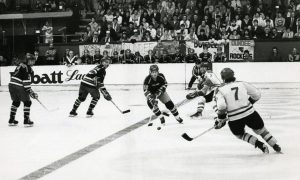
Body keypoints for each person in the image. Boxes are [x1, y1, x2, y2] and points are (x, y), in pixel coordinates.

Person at [213, 68, 282, 153]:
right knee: (261, 130)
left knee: (240, 135)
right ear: (233, 76)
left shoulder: (220, 90)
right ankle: (275, 146)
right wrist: (250, 103)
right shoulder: (242, 83)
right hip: (250, 113)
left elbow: (221, 105)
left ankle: (260, 145)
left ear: (222, 78)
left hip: (235, 118)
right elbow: (257, 94)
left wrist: (221, 118)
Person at [8, 54, 38, 127]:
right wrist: (31, 92)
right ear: (29, 61)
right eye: (33, 61)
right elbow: (26, 83)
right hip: (18, 85)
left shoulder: (21, 64)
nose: (34, 62)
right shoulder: (28, 68)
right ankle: (26, 120)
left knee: (16, 102)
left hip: (11, 84)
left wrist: (30, 92)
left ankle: (11, 120)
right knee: (27, 102)